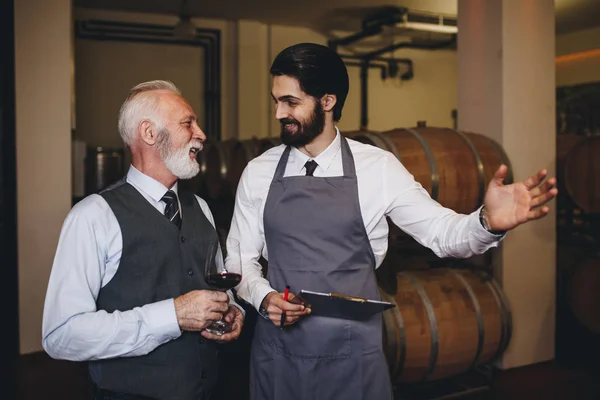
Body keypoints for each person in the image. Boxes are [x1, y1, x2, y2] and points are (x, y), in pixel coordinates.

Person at [228, 43, 558, 400]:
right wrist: (264, 298)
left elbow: (441, 234)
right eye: (276, 100)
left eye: (290, 102)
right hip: (280, 355)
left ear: (327, 101)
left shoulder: (378, 168)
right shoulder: (258, 172)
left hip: (354, 357)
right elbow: (239, 259)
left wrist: (487, 221)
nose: (278, 112)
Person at [42, 80, 244, 400]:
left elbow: (217, 286)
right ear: (149, 133)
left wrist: (232, 309)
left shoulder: (201, 208)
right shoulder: (93, 216)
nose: (202, 134)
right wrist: (173, 316)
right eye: (188, 123)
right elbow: (62, 335)